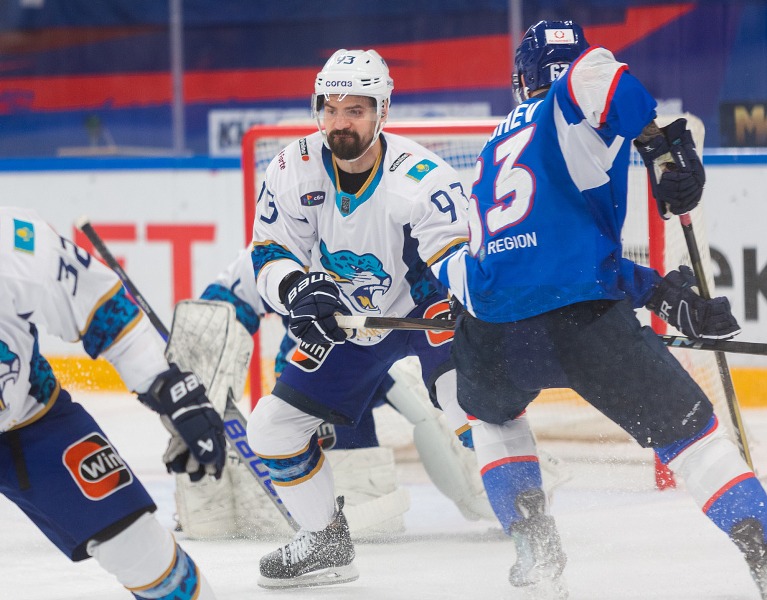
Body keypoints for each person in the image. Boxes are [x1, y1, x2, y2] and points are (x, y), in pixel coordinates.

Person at [434, 19, 767, 598]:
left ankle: (535, 548)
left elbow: (526, 259)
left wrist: (659, 294)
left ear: (520, 79)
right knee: (691, 437)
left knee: (491, 419)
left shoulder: (492, 148)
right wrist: (661, 146)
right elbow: (600, 76)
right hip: (582, 325)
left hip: (491, 331)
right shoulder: (569, 100)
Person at [241, 48, 480, 588]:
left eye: (355, 110)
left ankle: (529, 516)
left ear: (382, 112)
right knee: (273, 426)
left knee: (469, 405)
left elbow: (457, 262)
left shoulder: (422, 178)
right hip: (348, 319)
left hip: (425, 307)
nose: (340, 122)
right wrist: (299, 290)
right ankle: (326, 541)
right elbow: (270, 251)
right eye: (330, 109)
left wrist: (477, 310)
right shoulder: (292, 167)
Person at [172, 244, 494, 542]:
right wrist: (195, 404)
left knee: (440, 403)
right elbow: (217, 309)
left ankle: (495, 474)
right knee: (357, 490)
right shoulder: (283, 241)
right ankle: (223, 491)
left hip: (399, 354)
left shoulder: (393, 224)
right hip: (326, 366)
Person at [0, 207, 226, 599]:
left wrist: (164, 386)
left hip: (30, 417)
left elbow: (103, 311)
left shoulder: (14, 244)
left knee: (140, 549)